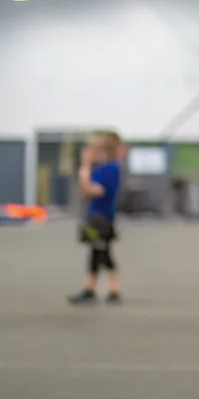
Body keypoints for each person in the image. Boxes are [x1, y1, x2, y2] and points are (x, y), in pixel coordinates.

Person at [68, 131, 124, 305]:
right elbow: (85, 191)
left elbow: (96, 191)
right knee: (97, 253)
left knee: (102, 253)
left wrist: (84, 168)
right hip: (95, 217)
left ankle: (108, 289)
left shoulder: (110, 169)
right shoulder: (100, 169)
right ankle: (96, 288)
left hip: (102, 218)